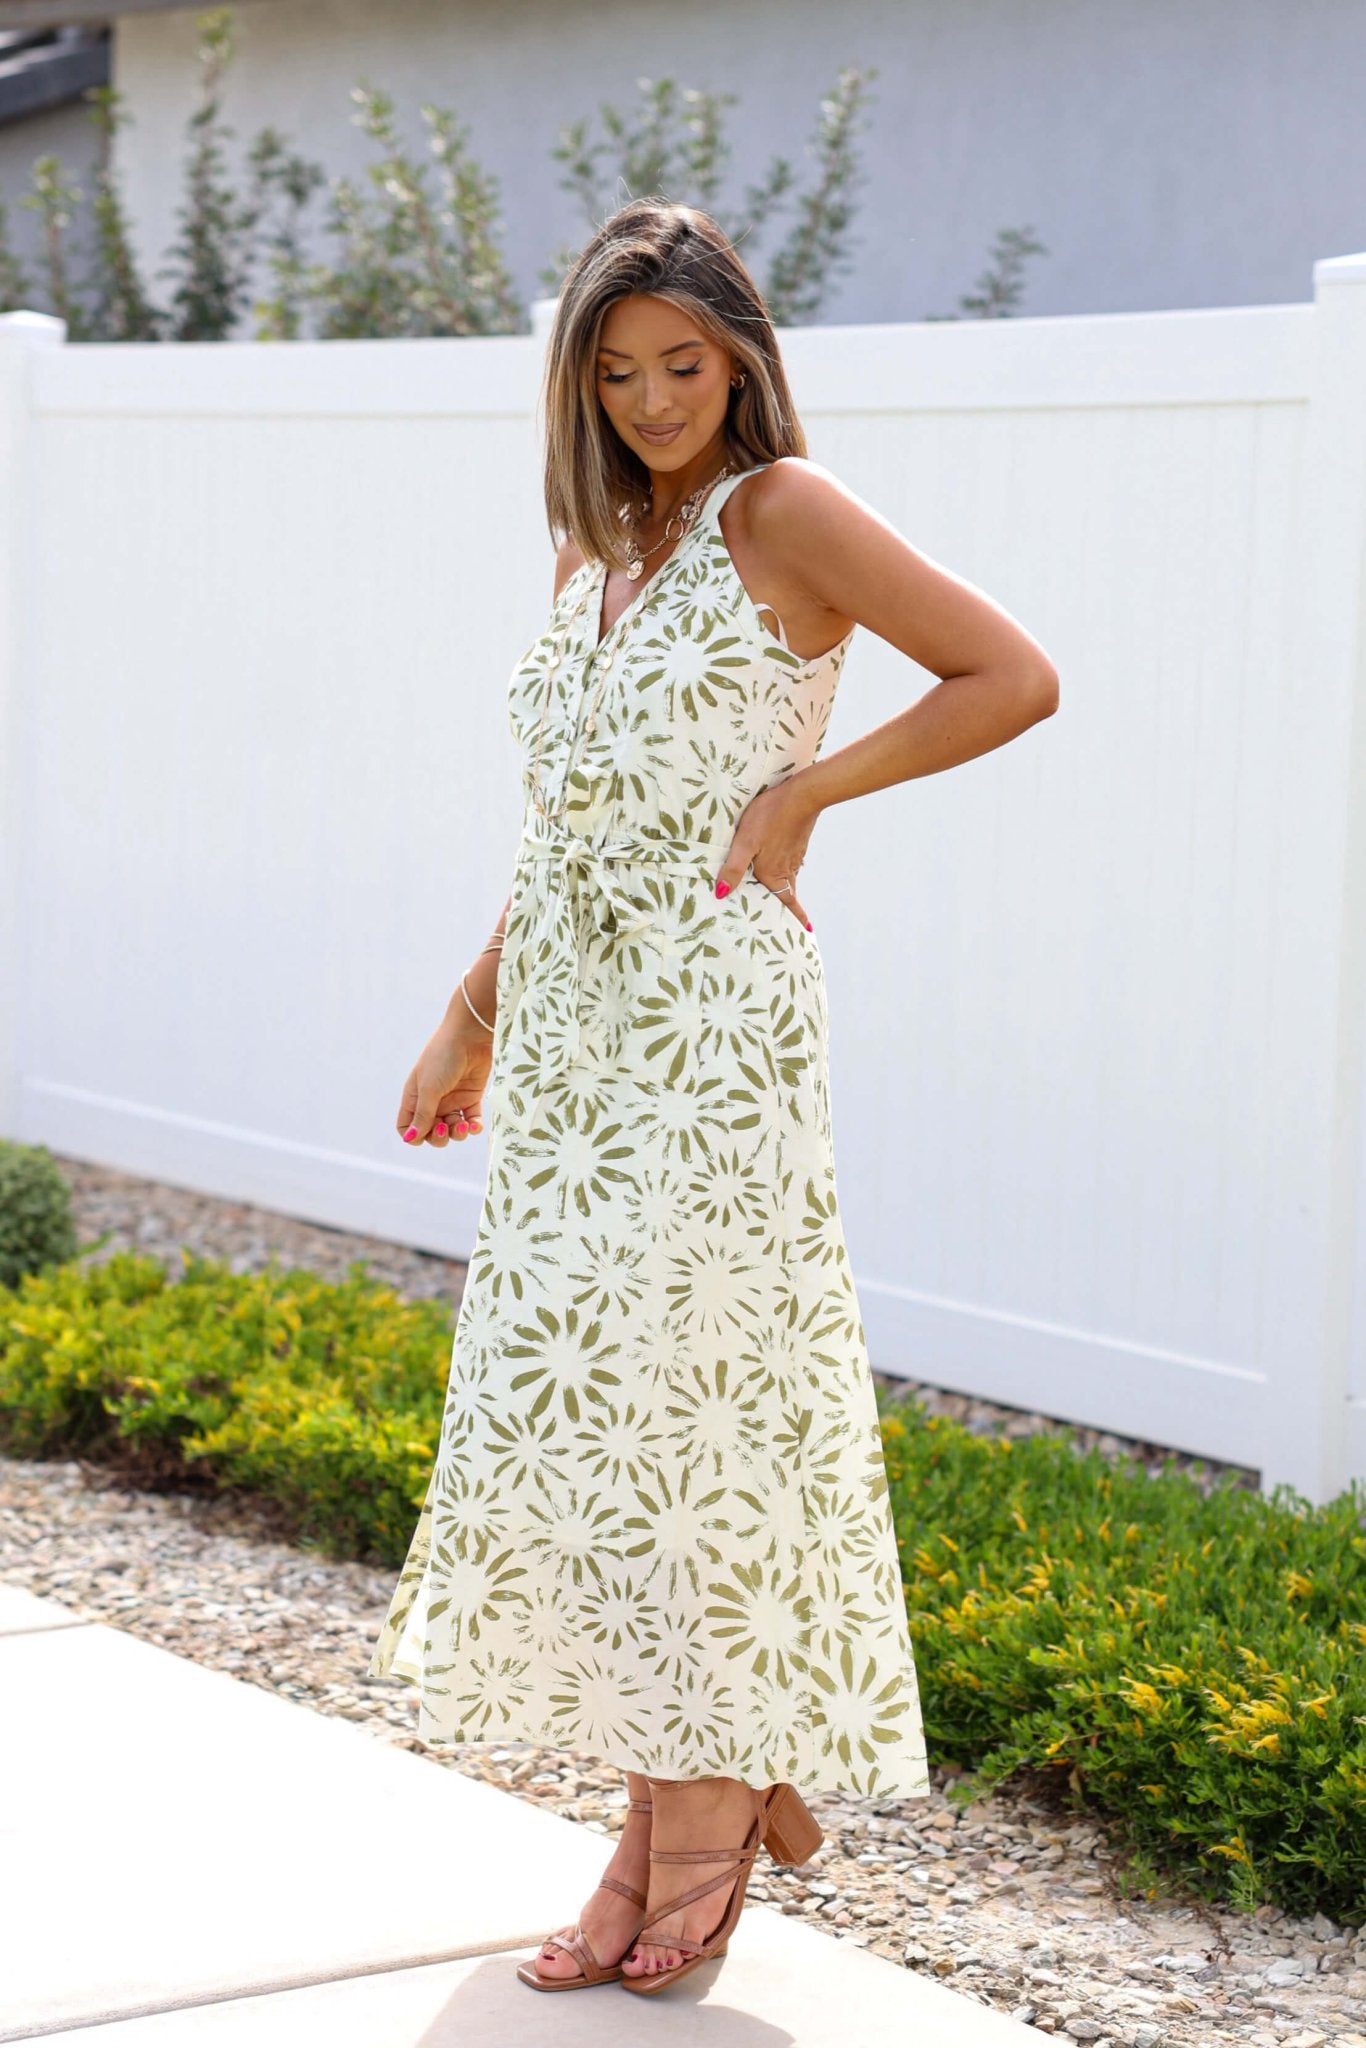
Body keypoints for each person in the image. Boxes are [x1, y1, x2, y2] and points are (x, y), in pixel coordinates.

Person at [367, 196, 1059, 1998]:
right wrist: (471, 1011)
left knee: (689, 1426)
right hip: (582, 1048)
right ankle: (676, 1806)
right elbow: (570, 828)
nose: (655, 397)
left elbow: (1012, 675)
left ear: (743, 354)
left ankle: (690, 1829)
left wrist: (810, 791)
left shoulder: (782, 515)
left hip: (713, 1046)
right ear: (577, 389)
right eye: (617, 371)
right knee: (607, 1446)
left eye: (684, 362)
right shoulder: (602, 558)